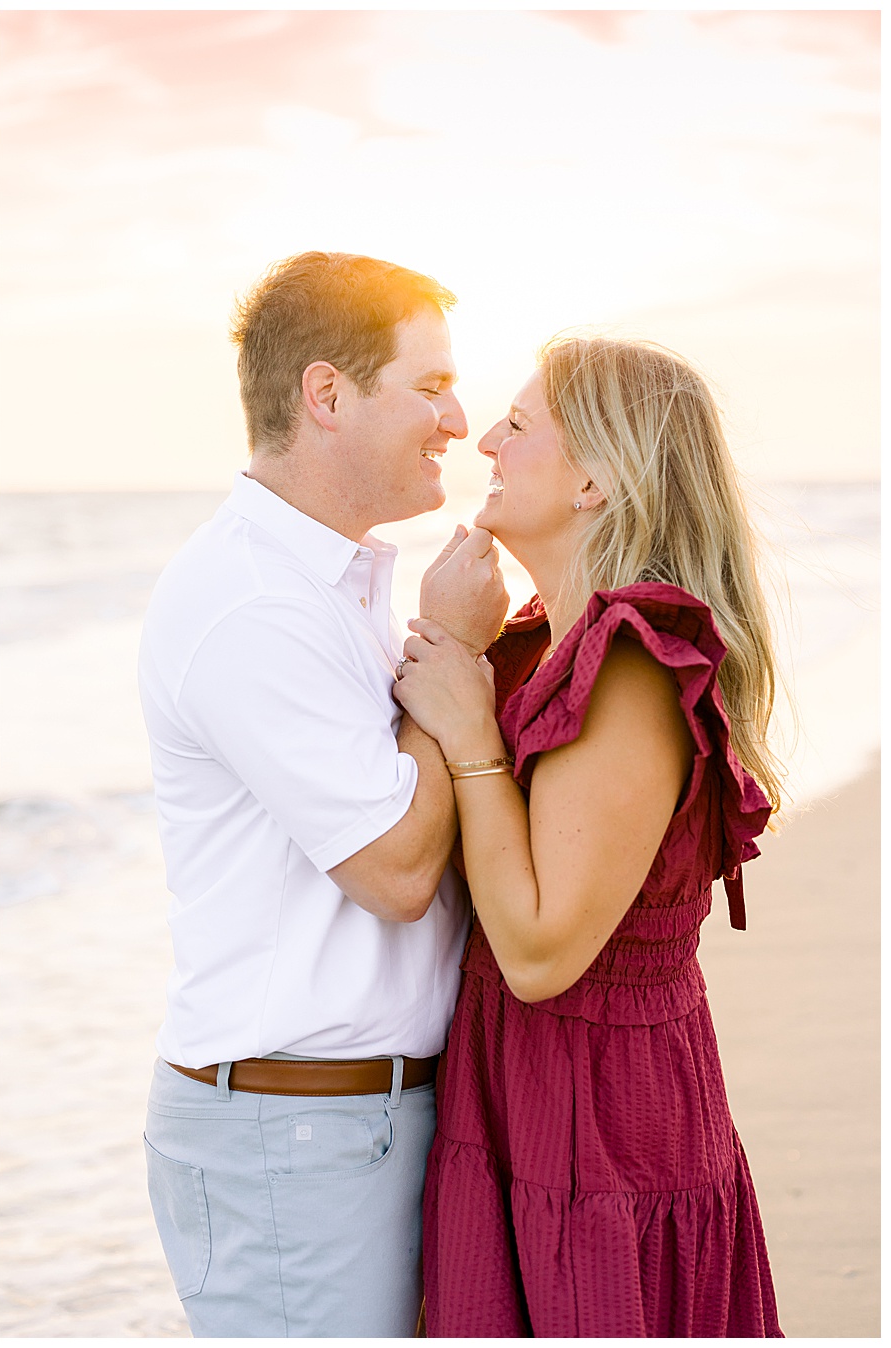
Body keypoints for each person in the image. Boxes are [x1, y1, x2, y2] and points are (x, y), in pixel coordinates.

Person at [136, 251, 507, 1336]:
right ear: (328, 395)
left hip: (344, 1123)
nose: (457, 415)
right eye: (429, 384)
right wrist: (456, 652)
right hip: (292, 1138)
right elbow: (394, 871)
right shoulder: (251, 603)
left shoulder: (330, 585)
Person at [392, 336, 783, 1335]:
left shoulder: (630, 668)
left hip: (598, 1121)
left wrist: (471, 729)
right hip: (521, 1098)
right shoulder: (536, 646)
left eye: (518, 427)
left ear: (596, 483)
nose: (484, 440)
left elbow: (537, 952)